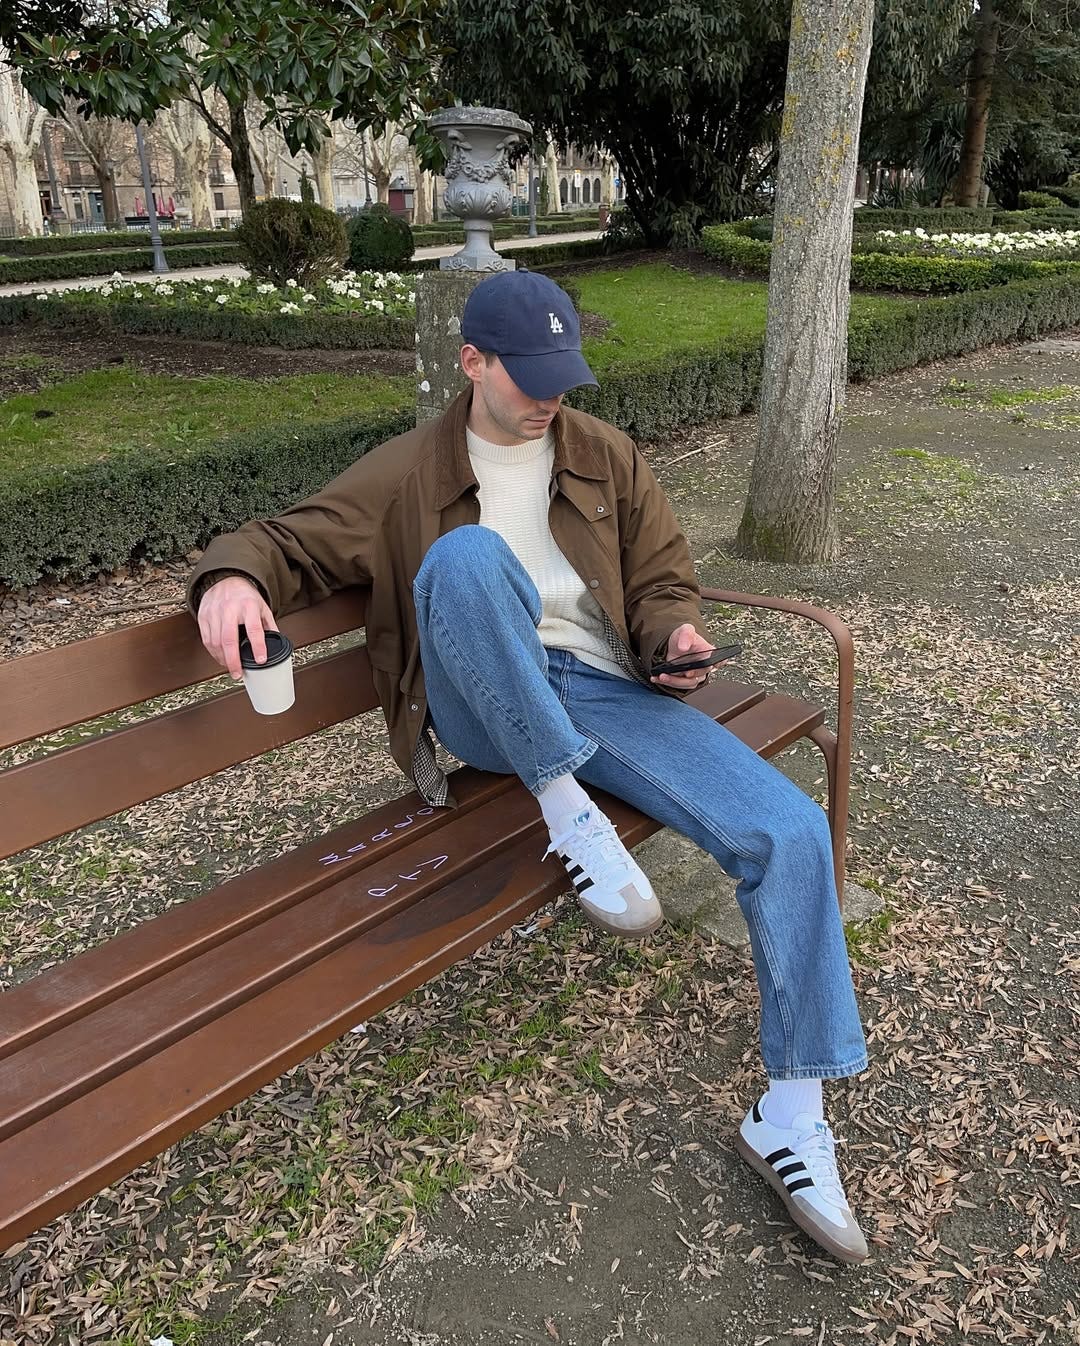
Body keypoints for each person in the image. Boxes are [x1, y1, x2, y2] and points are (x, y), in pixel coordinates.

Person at [189, 270, 870, 1264]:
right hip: (485, 697)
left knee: (792, 828)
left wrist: (671, 630)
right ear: (472, 363)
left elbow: (661, 574)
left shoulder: (604, 455)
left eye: (563, 374)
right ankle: (569, 810)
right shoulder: (407, 473)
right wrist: (230, 580)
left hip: (599, 690)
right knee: (465, 563)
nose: (552, 396)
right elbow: (281, 543)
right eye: (530, 376)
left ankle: (792, 1113)